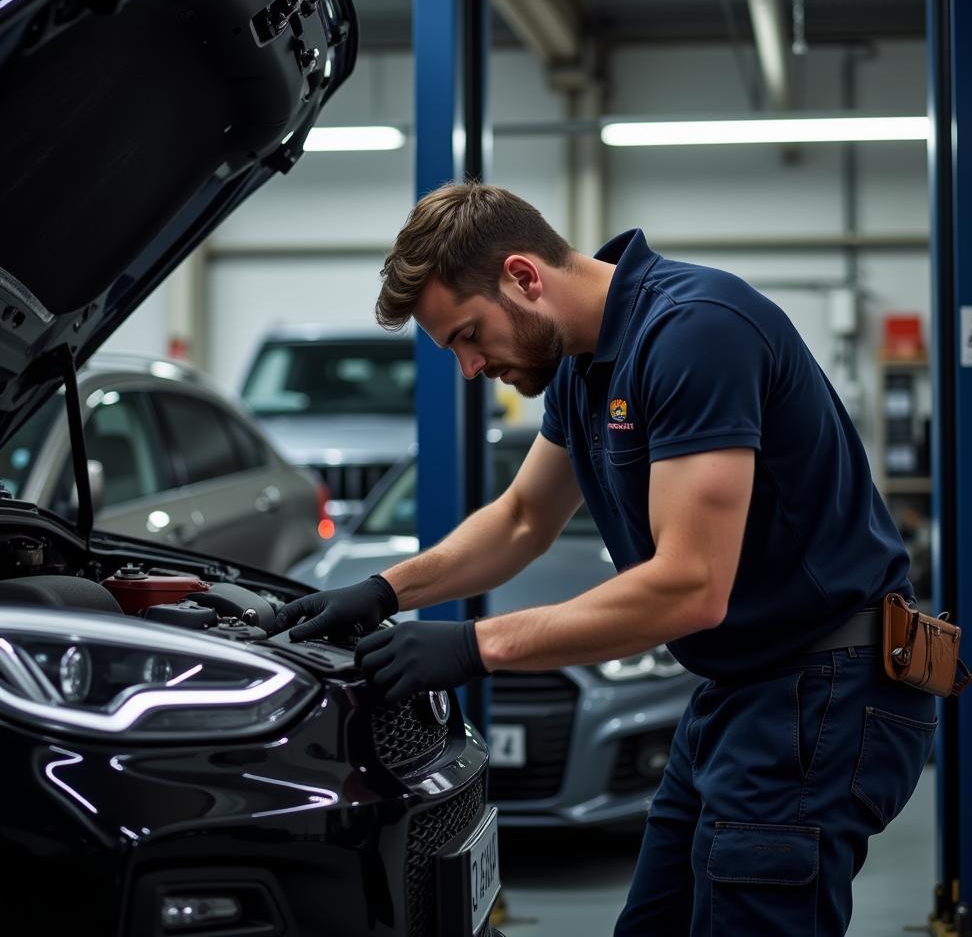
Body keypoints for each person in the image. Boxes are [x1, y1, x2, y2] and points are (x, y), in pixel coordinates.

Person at [275, 182, 937, 936]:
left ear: (524, 277)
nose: (468, 367)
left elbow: (690, 587)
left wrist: (474, 646)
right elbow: (524, 518)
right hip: (743, 686)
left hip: (821, 693)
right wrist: (384, 590)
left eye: (467, 334)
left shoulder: (694, 333)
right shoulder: (586, 367)